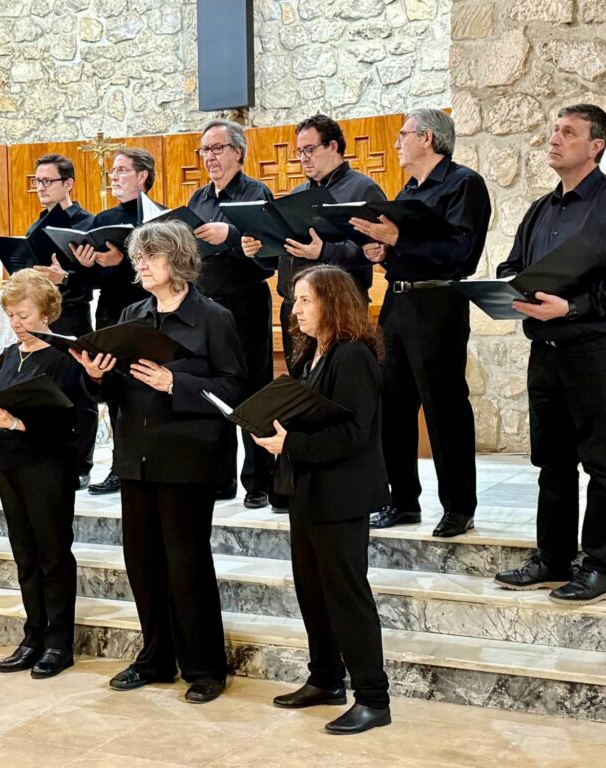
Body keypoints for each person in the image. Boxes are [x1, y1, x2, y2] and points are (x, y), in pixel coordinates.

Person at [73, 220, 247, 704]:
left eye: (152, 255)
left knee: (187, 564)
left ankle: (205, 667)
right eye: (138, 257)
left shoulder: (213, 318)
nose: (142, 264)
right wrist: (96, 376)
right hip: (136, 455)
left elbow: (235, 390)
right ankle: (155, 657)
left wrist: (177, 384)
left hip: (187, 457)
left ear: (179, 259)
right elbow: (114, 388)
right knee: (143, 563)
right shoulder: (134, 313)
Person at [494, 104, 606, 605]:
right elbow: (513, 265)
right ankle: (553, 558)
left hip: (599, 348)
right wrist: (506, 288)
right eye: (555, 130)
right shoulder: (541, 209)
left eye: (568, 132)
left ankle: (601, 567)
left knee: (602, 461)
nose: (555, 139)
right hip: (547, 350)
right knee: (553, 461)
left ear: (595, 146)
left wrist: (572, 306)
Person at [254, 265, 391, 735]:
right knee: (312, 592)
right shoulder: (313, 354)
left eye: (306, 300)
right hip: (307, 490)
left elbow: (355, 433)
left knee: (346, 597)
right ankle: (326, 679)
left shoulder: (353, 356)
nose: (295, 309)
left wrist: (290, 444)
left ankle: (372, 698)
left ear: (332, 303)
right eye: (295, 300)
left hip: (341, 494)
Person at [352, 108, 491, 539]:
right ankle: (402, 500)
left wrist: (399, 239)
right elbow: (405, 247)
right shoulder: (408, 190)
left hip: (438, 303)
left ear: (427, 138)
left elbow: (462, 252)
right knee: (391, 405)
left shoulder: (464, 184)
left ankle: (458, 507)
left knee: (444, 407)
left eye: (403, 134)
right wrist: (383, 252)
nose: (397, 143)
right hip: (397, 301)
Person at [0, 269, 88, 679]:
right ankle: (33, 636)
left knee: (53, 555)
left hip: (48, 465)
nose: (16, 323)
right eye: (11, 315)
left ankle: (59, 643)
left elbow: (72, 422)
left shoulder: (63, 357)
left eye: (24, 315)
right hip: (10, 464)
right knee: (25, 555)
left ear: (46, 313)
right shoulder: (10, 354)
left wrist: (18, 424)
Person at [241, 115, 387, 372]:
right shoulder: (298, 193)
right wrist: (258, 250)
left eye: (309, 149)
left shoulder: (363, 189)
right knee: (299, 379)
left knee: (337, 379)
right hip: (295, 304)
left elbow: (373, 250)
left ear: (333, 146)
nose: (303, 158)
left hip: (339, 306)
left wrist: (324, 251)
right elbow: (285, 250)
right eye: (300, 152)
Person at [187, 119, 276, 509]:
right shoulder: (198, 199)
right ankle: (220, 477)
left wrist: (231, 237)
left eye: (217, 148)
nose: (209, 156)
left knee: (253, 389)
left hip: (245, 302)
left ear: (237, 152)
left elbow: (271, 249)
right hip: (207, 307)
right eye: (204, 150)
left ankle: (259, 481)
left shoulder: (256, 193)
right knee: (213, 390)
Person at [72, 147, 152, 497]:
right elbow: (89, 282)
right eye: (113, 171)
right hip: (110, 313)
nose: (114, 177)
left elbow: (163, 270)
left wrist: (122, 262)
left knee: (145, 391)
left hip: (146, 314)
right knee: (115, 391)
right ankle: (121, 467)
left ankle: (147, 460)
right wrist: (86, 264)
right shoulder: (103, 218)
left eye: (122, 170)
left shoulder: (158, 217)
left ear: (142, 176)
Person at [27, 153, 96, 490]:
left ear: (68, 183)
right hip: (43, 316)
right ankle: (50, 455)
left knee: (79, 391)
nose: (41, 187)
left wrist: (64, 277)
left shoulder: (86, 223)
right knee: (46, 388)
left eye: (47, 181)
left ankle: (82, 463)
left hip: (72, 315)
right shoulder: (37, 225)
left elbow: (92, 280)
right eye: (37, 181)